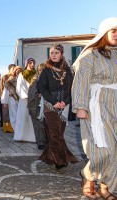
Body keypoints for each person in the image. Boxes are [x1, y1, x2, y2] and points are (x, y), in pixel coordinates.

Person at [72, 17, 117, 200]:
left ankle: (105, 186)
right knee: (104, 149)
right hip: (97, 106)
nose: (116, 34)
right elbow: (81, 82)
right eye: (113, 30)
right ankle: (88, 175)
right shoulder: (90, 54)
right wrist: (81, 107)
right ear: (104, 32)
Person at [37, 44, 77, 170]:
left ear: (61, 54)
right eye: (52, 53)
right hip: (50, 105)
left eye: (56, 53)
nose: (54, 55)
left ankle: (49, 156)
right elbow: (42, 87)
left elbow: (72, 89)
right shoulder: (46, 70)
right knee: (55, 134)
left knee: (58, 133)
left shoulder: (67, 71)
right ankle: (61, 160)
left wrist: (65, 102)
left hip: (64, 106)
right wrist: (54, 102)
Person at [14, 58, 36, 142]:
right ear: (27, 64)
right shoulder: (22, 74)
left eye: (33, 62)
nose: (32, 64)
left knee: (32, 119)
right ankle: (21, 136)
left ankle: (33, 137)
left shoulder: (36, 73)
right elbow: (19, 87)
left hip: (35, 99)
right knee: (23, 117)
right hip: (24, 99)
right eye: (30, 62)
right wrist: (26, 96)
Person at [28, 63, 48, 150]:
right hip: (36, 105)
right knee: (38, 124)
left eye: (43, 70)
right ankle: (41, 142)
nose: (41, 72)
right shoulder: (34, 79)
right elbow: (31, 92)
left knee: (47, 124)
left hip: (47, 105)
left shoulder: (49, 79)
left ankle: (48, 141)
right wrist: (38, 93)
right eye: (40, 70)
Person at [1, 66, 22, 130]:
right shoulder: (11, 79)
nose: (18, 71)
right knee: (14, 116)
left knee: (20, 116)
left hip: (21, 99)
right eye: (16, 70)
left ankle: (21, 131)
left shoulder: (22, 78)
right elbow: (6, 89)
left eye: (19, 70)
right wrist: (5, 102)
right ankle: (17, 132)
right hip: (12, 99)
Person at [0, 64, 16, 131]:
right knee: (6, 113)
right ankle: (7, 127)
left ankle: (13, 127)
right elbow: (1, 88)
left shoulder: (15, 76)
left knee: (14, 113)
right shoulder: (5, 77)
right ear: (10, 69)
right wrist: (2, 98)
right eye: (13, 68)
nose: (14, 70)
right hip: (6, 97)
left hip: (14, 97)